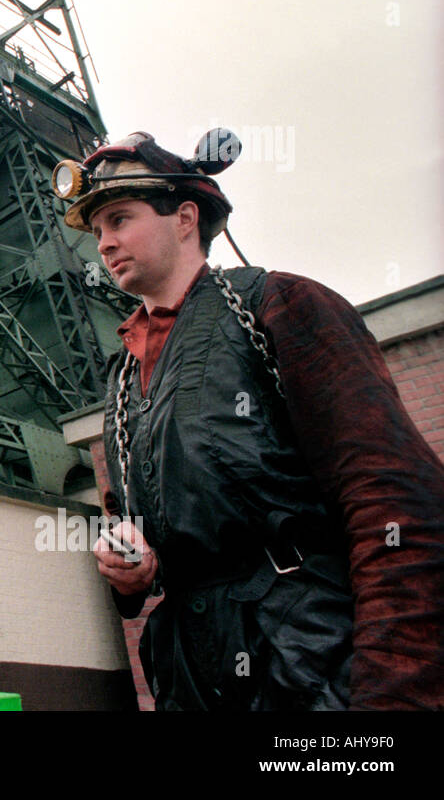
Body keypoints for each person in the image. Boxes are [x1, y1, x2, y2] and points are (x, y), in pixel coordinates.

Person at [53, 129, 444, 710]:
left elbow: (394, 503)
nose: (104, 244)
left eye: (120, 219)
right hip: (190, 677)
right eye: (99, 231)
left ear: (185, 217)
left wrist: (394, 696)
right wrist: (137, 572)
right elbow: (150, 532)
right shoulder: (121, 376)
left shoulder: (281, 305)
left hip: (310, 668)